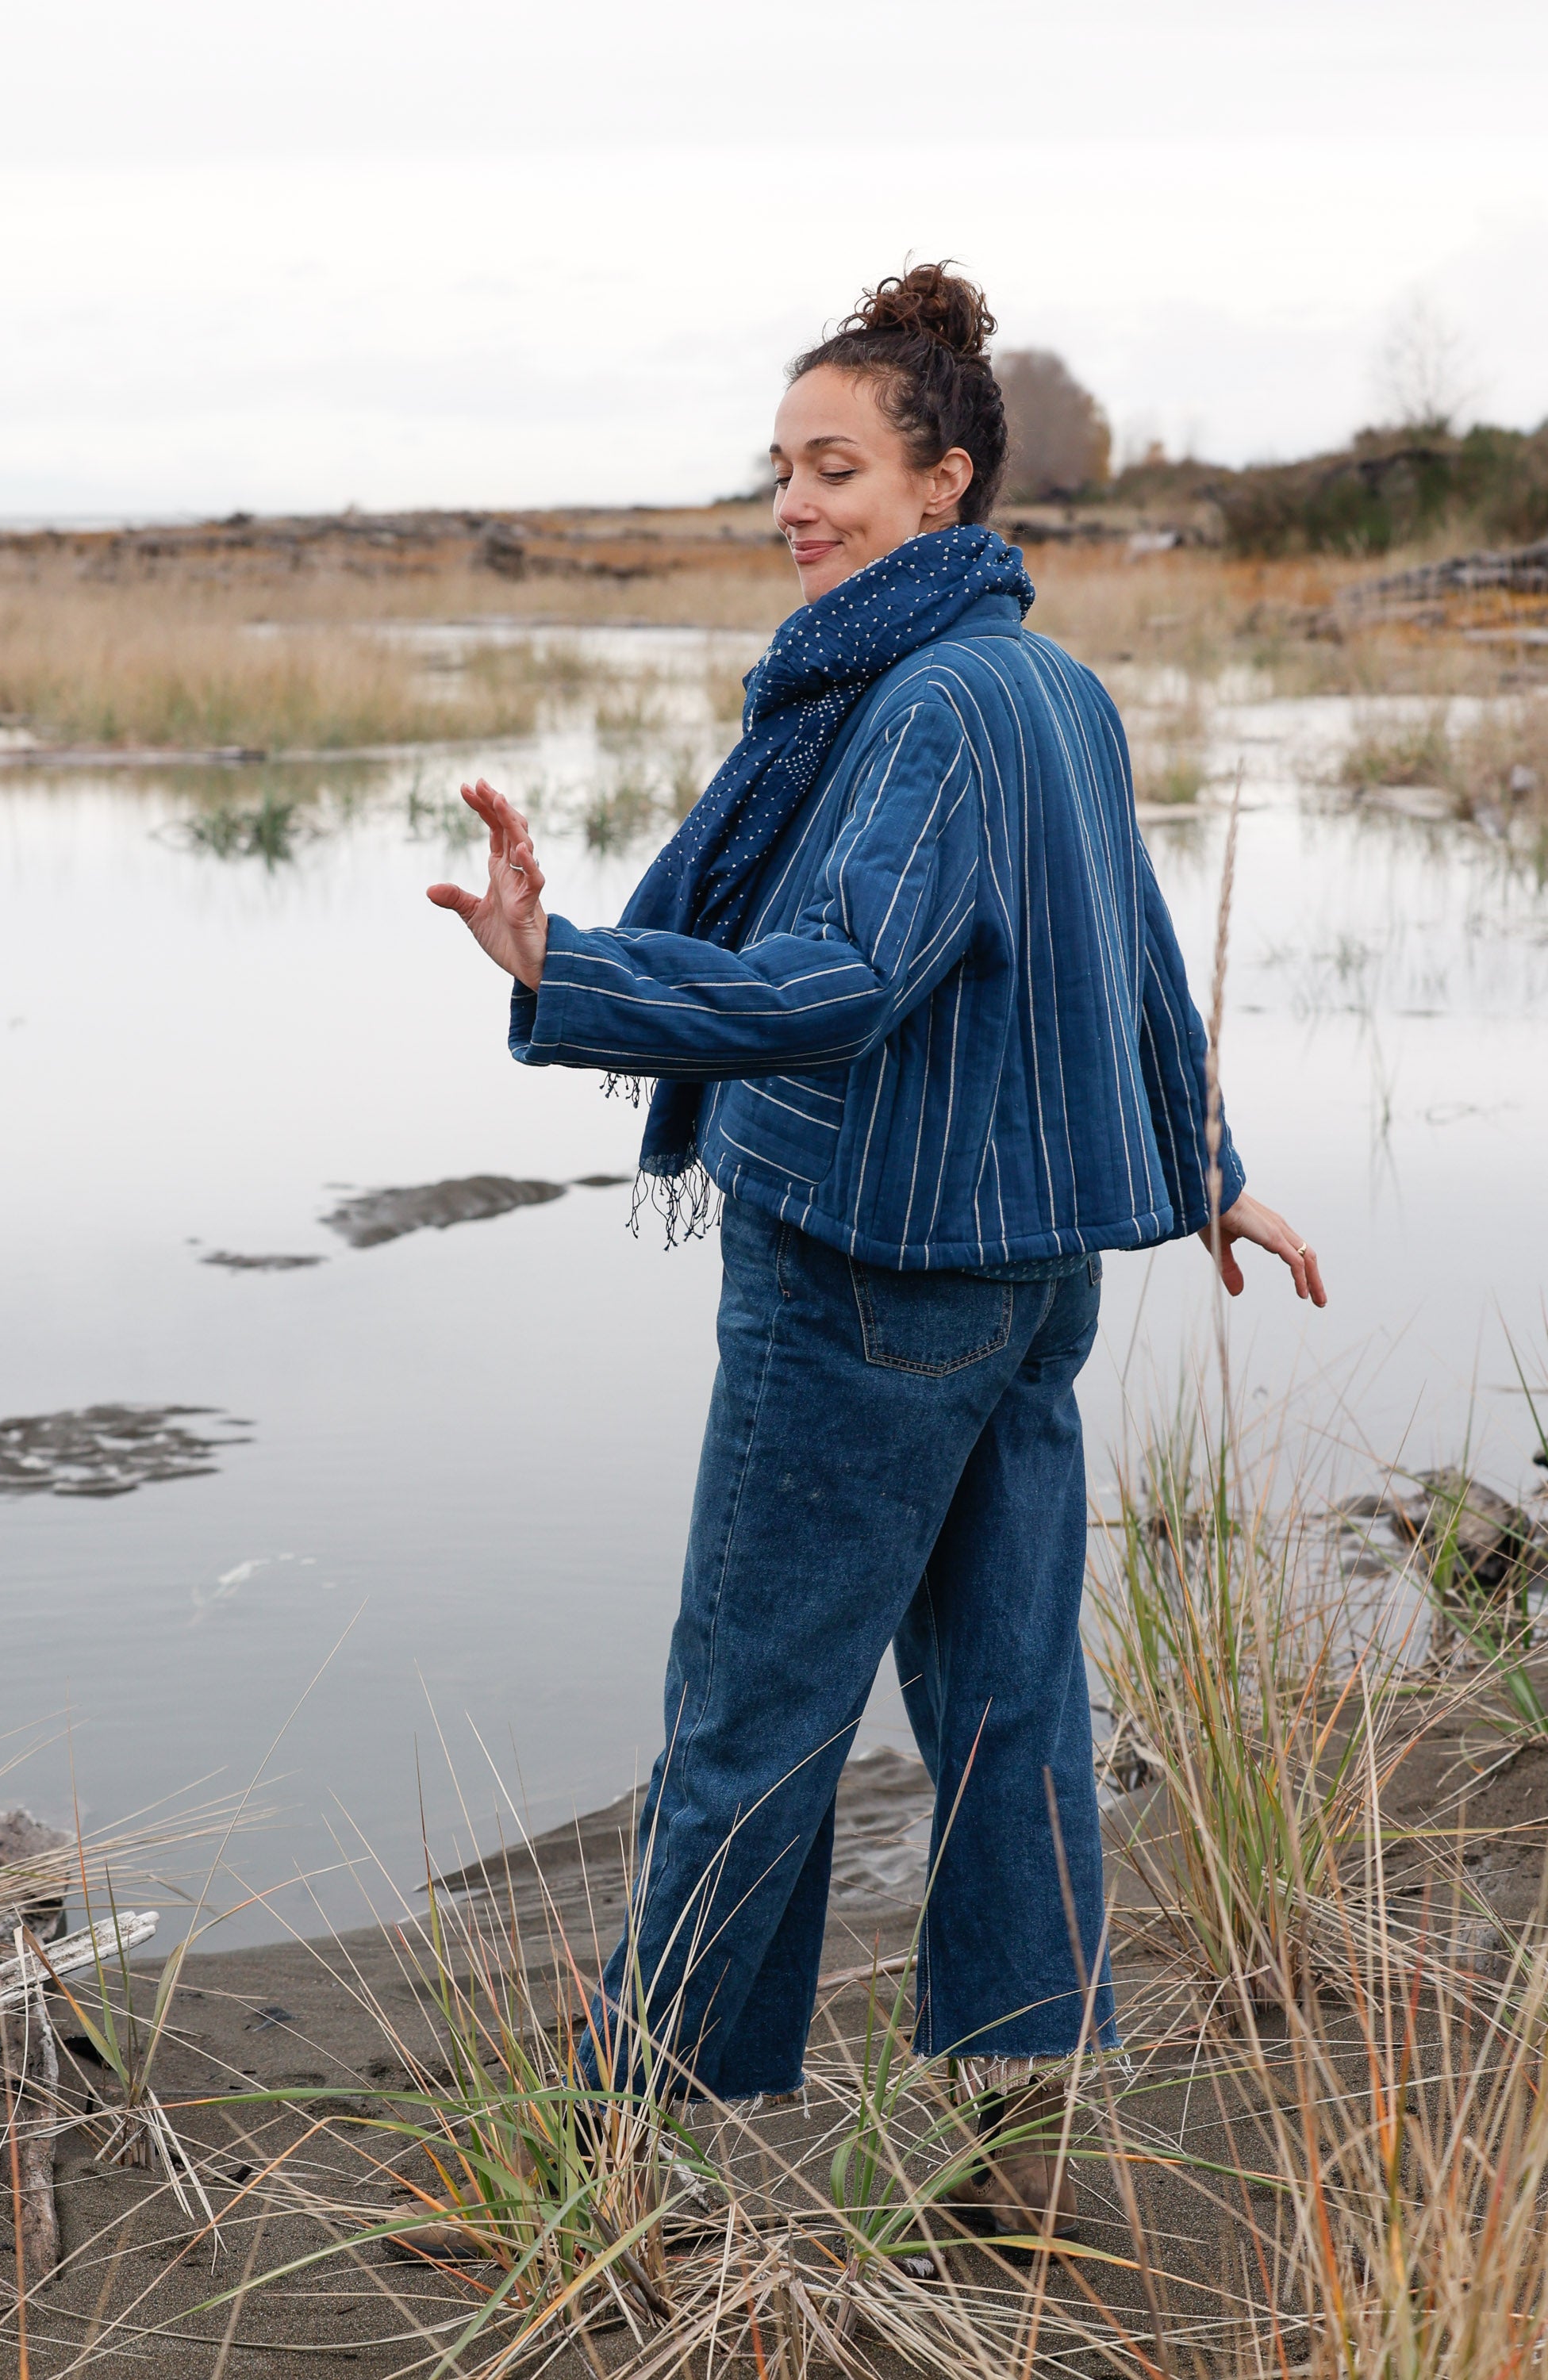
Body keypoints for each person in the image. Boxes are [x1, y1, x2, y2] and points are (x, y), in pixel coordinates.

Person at [428, 263, 1326, 2238]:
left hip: (865, 1275)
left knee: (751, 1708)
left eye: (834, 467)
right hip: (1027, 1280)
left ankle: (614, 2153)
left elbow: (841, 982)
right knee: (1011, 1699)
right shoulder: (1048, 684)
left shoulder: (919, 704)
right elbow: (1134, 955)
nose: (794, 505)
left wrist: (566, 969)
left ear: (944, 482)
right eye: (782, 468)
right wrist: (1205, 1168)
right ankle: (1027, 2135)